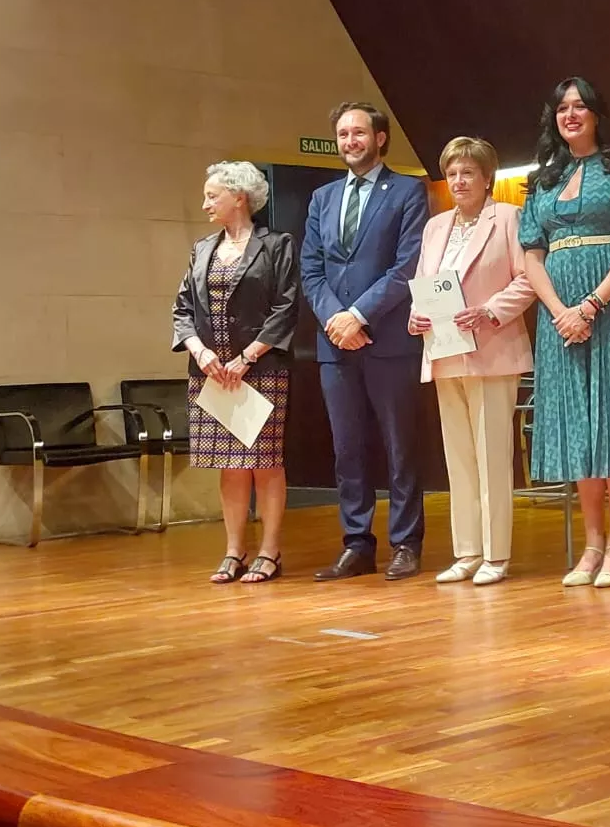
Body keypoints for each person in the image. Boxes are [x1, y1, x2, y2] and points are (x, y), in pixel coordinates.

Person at [519, 77, 610, 588]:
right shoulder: (541, 182)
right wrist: (561, 310)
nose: (571, 114)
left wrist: (592, 304)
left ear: (598, 115)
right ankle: (591, 544)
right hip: (559, 317)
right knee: (578, 426)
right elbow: (531, 255)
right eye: (562, 108)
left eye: (581, 106)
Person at [301, 102, 430, 582]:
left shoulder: (408, 191)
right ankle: (357, 543)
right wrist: (336, 316)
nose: (349, 141)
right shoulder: (322, 198)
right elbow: (311, 269)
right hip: (335, 343)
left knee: (401, 447)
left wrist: (359, 314)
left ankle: (406, 543)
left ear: (380, 138)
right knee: (347, 449)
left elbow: (408, 265)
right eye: (342, 134)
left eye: (358, 133)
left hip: (389, 339)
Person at [409, 137, 536, 586]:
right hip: (445, 352)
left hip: (493, 350)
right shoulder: (435, 227)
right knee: (458, 457)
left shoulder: (507, 218)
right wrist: (416, 318)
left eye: (468, 172)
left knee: (492, 456)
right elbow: (424, 285)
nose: (459, 181)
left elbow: (529, 280)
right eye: (453, 172)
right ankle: (466, 551)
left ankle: (496, 555)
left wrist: (489, 310)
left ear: (487, 179)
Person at [172, 161, 299, 584]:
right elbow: (183, 310)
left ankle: (269, 551)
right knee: (230, 464)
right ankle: (233, 551)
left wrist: (247, 357)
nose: (206, 203)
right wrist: (201, 352)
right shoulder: (202, 248)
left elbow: (286, 307)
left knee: (264, 461)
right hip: (211, 371)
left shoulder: (277, 244)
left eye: (213, 195)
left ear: (239, 198)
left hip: (259, 368)